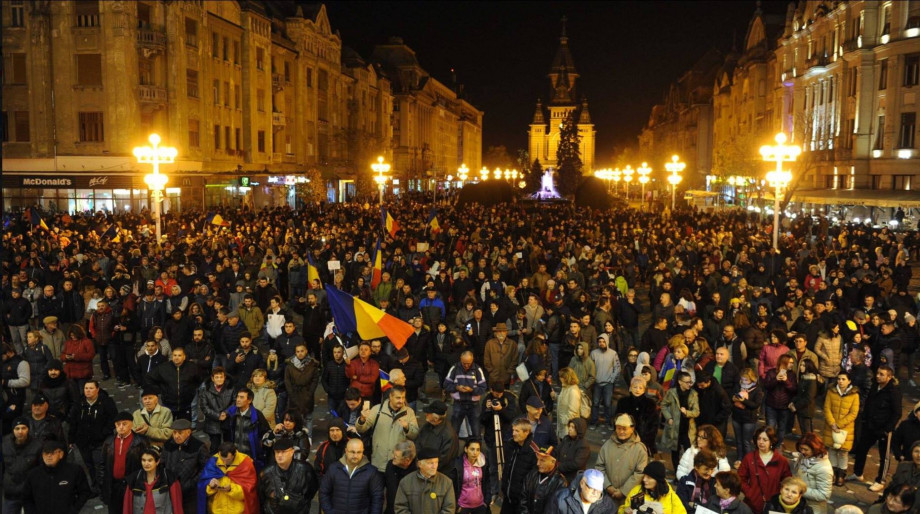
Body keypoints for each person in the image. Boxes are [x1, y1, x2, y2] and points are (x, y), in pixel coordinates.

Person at [850, 365, 902, 492]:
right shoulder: (875, 386)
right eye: (878, 373)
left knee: (884, 455)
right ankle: (858, 473)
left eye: (882, 374)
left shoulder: (893, 392)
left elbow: (897, 413)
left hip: (884, 428)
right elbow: (868, 403)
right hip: (870, 425)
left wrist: (887, 429)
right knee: (861, 449)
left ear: (889, 377)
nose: (878, 376)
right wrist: (865, 419)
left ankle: (880, 480)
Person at [355, 385, 420, 472]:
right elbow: (361, 429)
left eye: (403, 397)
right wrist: (362, 419)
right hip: (378, 461)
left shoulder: (409, 412)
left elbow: (415, 434)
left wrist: (407, 427)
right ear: (390, 396)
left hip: (398, 464)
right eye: (398, 398)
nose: (401, 401)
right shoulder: (377, 410)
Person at [68, 379, 117, 492]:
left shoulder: (106, 402)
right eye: (86, 388)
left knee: (100, 464)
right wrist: (71, 439)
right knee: (89, 465)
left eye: (91, 388)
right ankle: (95, 487)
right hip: (83, 441)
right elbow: (73, 422)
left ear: (97, 389)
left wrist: (103, 433)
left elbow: (113, 419)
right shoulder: (79, 403)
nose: (88, 391)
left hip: (101, 440)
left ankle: (104, 487)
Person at [22, 440, 92, 514]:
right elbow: (26, 498)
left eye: (52, 453)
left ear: (61, 454)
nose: (49, 456)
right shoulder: (34, 474)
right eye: (46, 453)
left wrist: (73, 510)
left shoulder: (74, 470)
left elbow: (84, 492)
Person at [595, 413, 649, 509]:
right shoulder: (607, 445)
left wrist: (623, 491)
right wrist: (608, 486)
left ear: (632, 429)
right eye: (618, 428)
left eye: (624, 429)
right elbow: (599, 467)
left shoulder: (640, 449)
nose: (621, 432)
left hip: (629, 499)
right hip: (608, 496)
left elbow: (640, 473)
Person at [318, 438, 385, 514]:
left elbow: (377, 499)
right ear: (346, 451)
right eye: (352, 452)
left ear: (363, 451)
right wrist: (329, 512)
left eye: (359, 452)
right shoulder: (334, 468)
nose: (355, 456)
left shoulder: (372, 472)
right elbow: (324, 492)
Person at [102, 411, 149, 514]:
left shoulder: (141, 442)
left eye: (124, 423)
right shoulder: (108, 442)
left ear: (131, 424)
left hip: (131, 484)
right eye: (118, 424)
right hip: (113, 484)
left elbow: (147, 465)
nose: (121, 427)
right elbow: (102, 465)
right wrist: (102, 485)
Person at [738, 426, 792, 514]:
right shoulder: (749, 458)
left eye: (765, 439)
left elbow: (787, 482)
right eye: (759, 439)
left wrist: (779, 494)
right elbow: (740, 478)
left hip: (774, 505)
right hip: (752, 504)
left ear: (771, 441)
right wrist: (750, 493)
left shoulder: (782, 461)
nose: (761, 442)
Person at [258, 437, 319, 514]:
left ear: (292, 452)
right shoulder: (266, 473)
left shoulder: (305, 469)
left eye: (283, 452)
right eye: (277, 452)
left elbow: (312, 490)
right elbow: (261, 497)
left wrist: (301, 504)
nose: (279, 455)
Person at [162, 419, 209, 514]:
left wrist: (192, 482)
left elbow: (205, 468)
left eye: (180, 433)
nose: (176, 436)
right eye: (174, 432)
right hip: (171, 489)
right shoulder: (167, 445)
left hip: (190, 492)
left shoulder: (199, 446)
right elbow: (162, 463)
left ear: (188, 432)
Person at [197, 442, 259, 514]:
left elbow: (249, 492)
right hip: (217, 511)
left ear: (234, 454)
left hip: (238, 511)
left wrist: (231, 489)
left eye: (228, 460)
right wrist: (211, 486)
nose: (224, 462)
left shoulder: (245, 464)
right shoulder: (213, 462)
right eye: (222, 459)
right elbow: (202, 489)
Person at [394, 446, 457, 513]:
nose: (434, 466)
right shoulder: (406, 482)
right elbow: (400, 507)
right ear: (419, 464)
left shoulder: (446, 482)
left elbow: (449, 509)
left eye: (436, 462)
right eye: (430, 463)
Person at [122, 446, 184, 514]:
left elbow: (177, 507)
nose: (146, 464)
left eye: (150, 460)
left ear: (157, 462)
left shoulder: (169, 477)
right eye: (143, 460)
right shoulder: (133, 479)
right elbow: (127, 508)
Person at [145, 347, 199, 421]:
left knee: (184, 429)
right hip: (168, 405)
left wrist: (191, 390)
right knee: (168, 429)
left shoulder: (192, 367)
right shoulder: (163, 367)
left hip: (185, 405)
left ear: (184, 357)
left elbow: (198, 379)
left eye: (179, 355)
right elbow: (149, 378)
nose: (176, 358)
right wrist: (159, 390)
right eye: (175, 355)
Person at [222, 387, 271, 469]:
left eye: (241, 397)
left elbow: (266, 433)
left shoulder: (257, 416)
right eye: (237, 397)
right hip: (235, 456)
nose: (238, 400)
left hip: (251, 457)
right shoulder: (231, 415)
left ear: (249, 400)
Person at [2, 417, 42, 514]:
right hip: (10, 492)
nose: (20, 431)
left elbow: (41, 469)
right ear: (13, 430)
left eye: (23, 428)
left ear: (28, 429)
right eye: (17, 428)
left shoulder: (38, 445)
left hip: (30, 492)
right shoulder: (4, 444)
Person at [444, 350, 487, 440]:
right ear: (460, 359)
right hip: (458, 403)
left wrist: (472, 390)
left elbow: (483, 388)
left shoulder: (478, 369)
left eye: (469, 363)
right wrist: (457, 388)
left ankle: (477, 451)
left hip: (474, 404)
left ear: (472, 360)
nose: (467, 365)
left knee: (476, 432)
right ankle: (453, 451)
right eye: (464, 363)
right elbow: (446, 385)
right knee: (454, 432)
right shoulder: (454, 368)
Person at [661, 370, 700, 469]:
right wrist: (669, 417)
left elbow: (696, 412)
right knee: (675, 451)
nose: (689, 384)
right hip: (675, 428)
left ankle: (687, 472)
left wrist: (687, 412)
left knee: (689, 451)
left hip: (688, 428)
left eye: (690, 382)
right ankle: (676, 473)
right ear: (680, 382)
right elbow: (663, 405)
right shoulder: (672, 392)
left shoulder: (693, 394)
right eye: (687, 382)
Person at [618, 460, 687, 514]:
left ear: (658, 480)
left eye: (649, 477)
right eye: (644, 475)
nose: (644, 479)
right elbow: (622, 509)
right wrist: (624, 511)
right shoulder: (636, 491)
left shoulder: (671, 497)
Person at [501, 418, 539, 514]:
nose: (513, 433)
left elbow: (534, 479)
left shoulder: (533, 451)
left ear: (526, 432)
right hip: (507, 498)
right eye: (513, 430)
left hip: (521, 503)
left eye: (517, 431)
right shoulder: (510, 444)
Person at [415, 400, 460, 479]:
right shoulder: (427, 426)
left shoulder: (448, 434)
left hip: (438, 475)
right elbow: (418, 442)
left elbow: (443, 459)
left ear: (435, 418)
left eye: (428, 413)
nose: (426, 414)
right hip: (423, 469)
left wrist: (426, 467)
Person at [520, 445, 569, 514]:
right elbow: (523, 498)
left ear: (553, 462)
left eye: (542, 460)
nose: (538, 463)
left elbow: (556, 509)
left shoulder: (560, 482)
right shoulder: (532, 474)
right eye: (538, 459)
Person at [544, 468, 616, 513]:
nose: (595, 493)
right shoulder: (560, 498)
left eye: (598, 489)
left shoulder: (609, 506)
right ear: (582, 483)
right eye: (591, 487)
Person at [794, 433, 834, 514]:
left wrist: (800, 490)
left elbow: (824, 495)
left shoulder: (824, 468)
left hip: (814, 508)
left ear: (815, 449)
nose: (802, 451)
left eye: (806, 449)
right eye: (801, 448)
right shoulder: (804, 456)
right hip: (800, 503)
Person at [764, 354, 798, 447]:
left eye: (792, 363)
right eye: (790, 363)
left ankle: (778, 446)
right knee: (770, 427)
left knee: (782, 428)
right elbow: (766, 386)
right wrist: (776, 380)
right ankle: (769, 445)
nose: (792, 365)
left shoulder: (792, 375)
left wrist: (786, 381)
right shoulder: (771, 372)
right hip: (771, 405)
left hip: (784, 406)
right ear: (783, 363)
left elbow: (794, 390)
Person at [730, 368, 764, 459]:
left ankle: (749, 461)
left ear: (751, 379)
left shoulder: (757, 389)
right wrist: (733, 398)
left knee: (746, 442)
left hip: (749, 419)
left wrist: (744, 401)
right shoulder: (738, 386)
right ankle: (740, 458)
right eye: (742, 379)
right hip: (736, 417)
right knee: (738, 441)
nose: (744, 382)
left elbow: (756, 404)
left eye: (746, 379)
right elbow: (731, 396)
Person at [200, 366, 234, 452]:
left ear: (224, 377)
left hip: (228, 420)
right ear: (212, 378)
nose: (219, 379)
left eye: (221, 377)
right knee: (214, 447)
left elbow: (235, 402)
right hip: (212, 423)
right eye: (217, 377)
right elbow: (204, 407)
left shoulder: (231, 388)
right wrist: (218, 416)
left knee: (229, 447)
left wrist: (226, 413)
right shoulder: (205, 390)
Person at [453, 438, 492, 514]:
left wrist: (486, 502)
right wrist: (456, 506)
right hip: (463, 506)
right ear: (466, 449)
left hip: (480, 505)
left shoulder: (483, 462)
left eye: (478, 450)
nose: (475, 453)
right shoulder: (458, 464)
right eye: (472, 449)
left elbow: (487, 482)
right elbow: (453, 486)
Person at [283, 343, 319, 423]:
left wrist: (310, 392)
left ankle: (308, 435)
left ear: (306, 351)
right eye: (298, 351)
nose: (300, 353)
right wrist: (291, 393)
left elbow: (315, 380)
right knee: (295, 417)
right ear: (295, 352)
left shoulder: (312, 364)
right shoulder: (290, 365)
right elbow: (287, 380)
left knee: (308, 417)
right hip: (294, 394)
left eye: (302, 351)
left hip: (307, 393)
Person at [675, 449, 719, 513]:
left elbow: (715, 506)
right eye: (706, 469)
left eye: (712, 469)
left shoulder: (714, 483)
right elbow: (681, 505)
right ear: (696, 467)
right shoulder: (684, 482)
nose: (709, 473)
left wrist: (694, 505)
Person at [590, 335, 620, 426]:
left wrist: (612, 379)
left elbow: (617, 367)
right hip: (597, 383)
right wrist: (593, 378)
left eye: (603, 341)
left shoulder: (613, 353)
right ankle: (594, 421)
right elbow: (590, 367)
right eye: (600, 342)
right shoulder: (594, 353)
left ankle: (608, 422)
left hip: (608, 383)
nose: (601, 343)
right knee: (595, 403)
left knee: (607, 403)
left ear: (607, 342)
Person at [385, 441, 418, 514]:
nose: (392, 457)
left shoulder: (417, 473)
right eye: (393, 453)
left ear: (407, 460)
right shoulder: (390, 465)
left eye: (396, 456)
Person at [557, 418, 591, 483]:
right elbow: (558, 450)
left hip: (573, 478)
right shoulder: (566, 438)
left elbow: (576, 464)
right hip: (560, 474)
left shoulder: (583, 445)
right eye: (569, 426)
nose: (569, 429)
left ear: (579, 429)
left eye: (573, 427)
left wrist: (560, 466)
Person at [556, 366, 585, 438]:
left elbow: (573, 412)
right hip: (563, 426)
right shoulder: (565, 387)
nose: (560, 379)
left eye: (561, 377)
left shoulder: (573, 391)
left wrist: (563, 420)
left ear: (566, 378)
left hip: (568, 428)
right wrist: (555, 396)